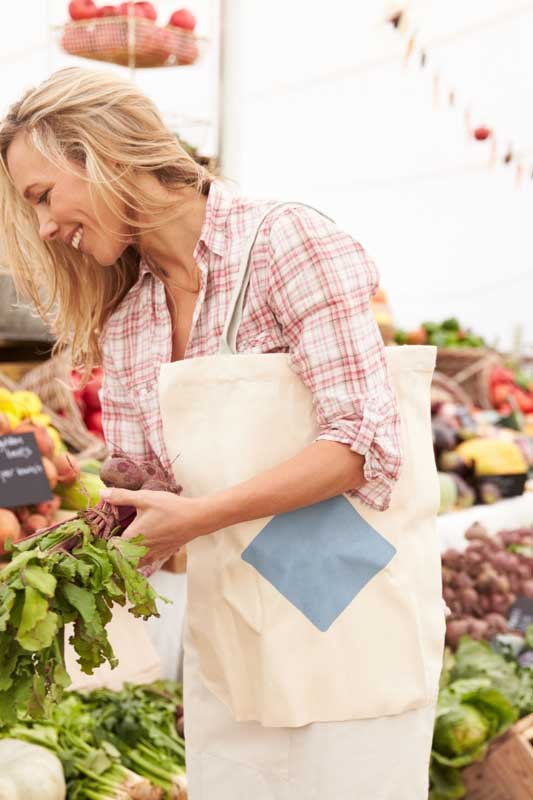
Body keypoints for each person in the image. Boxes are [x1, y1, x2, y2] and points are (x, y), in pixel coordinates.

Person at [0, 67, 444, 799]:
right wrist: (53, 556)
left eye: (43, 196)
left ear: (99, 152)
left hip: (346, 602)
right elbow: (145, 487)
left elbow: (358, 443)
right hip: (237, 621)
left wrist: (197, 518)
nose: (45, 228)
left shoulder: (284, 243)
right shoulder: (131, 316)